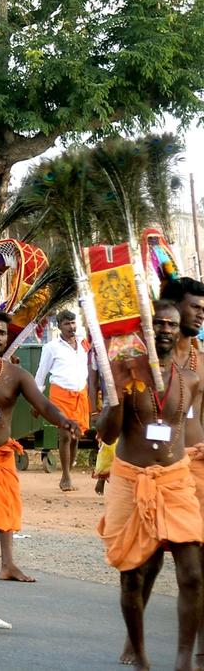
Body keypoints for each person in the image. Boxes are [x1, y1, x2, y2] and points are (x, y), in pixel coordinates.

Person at [97, 300, 203, 671]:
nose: (165, 330)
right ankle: (140, 655)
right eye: (157, 323)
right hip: (131, 481)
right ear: (144, 327)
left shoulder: (189, 378)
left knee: (191, 573)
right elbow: (107, 433)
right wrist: (117, 395)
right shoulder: (125, 371)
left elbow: (189, 423)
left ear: (178, 331)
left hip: (175, 481)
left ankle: (183, 661)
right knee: (133, 574)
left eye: (171, 325)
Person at [0, 309, 78, 631]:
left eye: (2, 332)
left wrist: (64, 421)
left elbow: (42, 404)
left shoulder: (15, 375)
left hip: (1, 461)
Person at [161, 277, 204, 663]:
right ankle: (134, 639)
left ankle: (197, 650)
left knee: (197, 566)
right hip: (154, 469)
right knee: (146, 561)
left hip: (197, 468)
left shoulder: (202, 357)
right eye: (195, 306)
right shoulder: (148, 356)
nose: (201, 313)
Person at [35, 309, 90, 491]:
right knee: (65, 434)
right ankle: (65, 476)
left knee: (75, 436)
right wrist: (36, 400)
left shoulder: (83, 343)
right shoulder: (51, 347)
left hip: (80, 393)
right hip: (60, 394)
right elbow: (41, 374)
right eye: (66, 324)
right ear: (59, 327)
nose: (71, 327)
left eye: (73, 322)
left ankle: (69, 472)